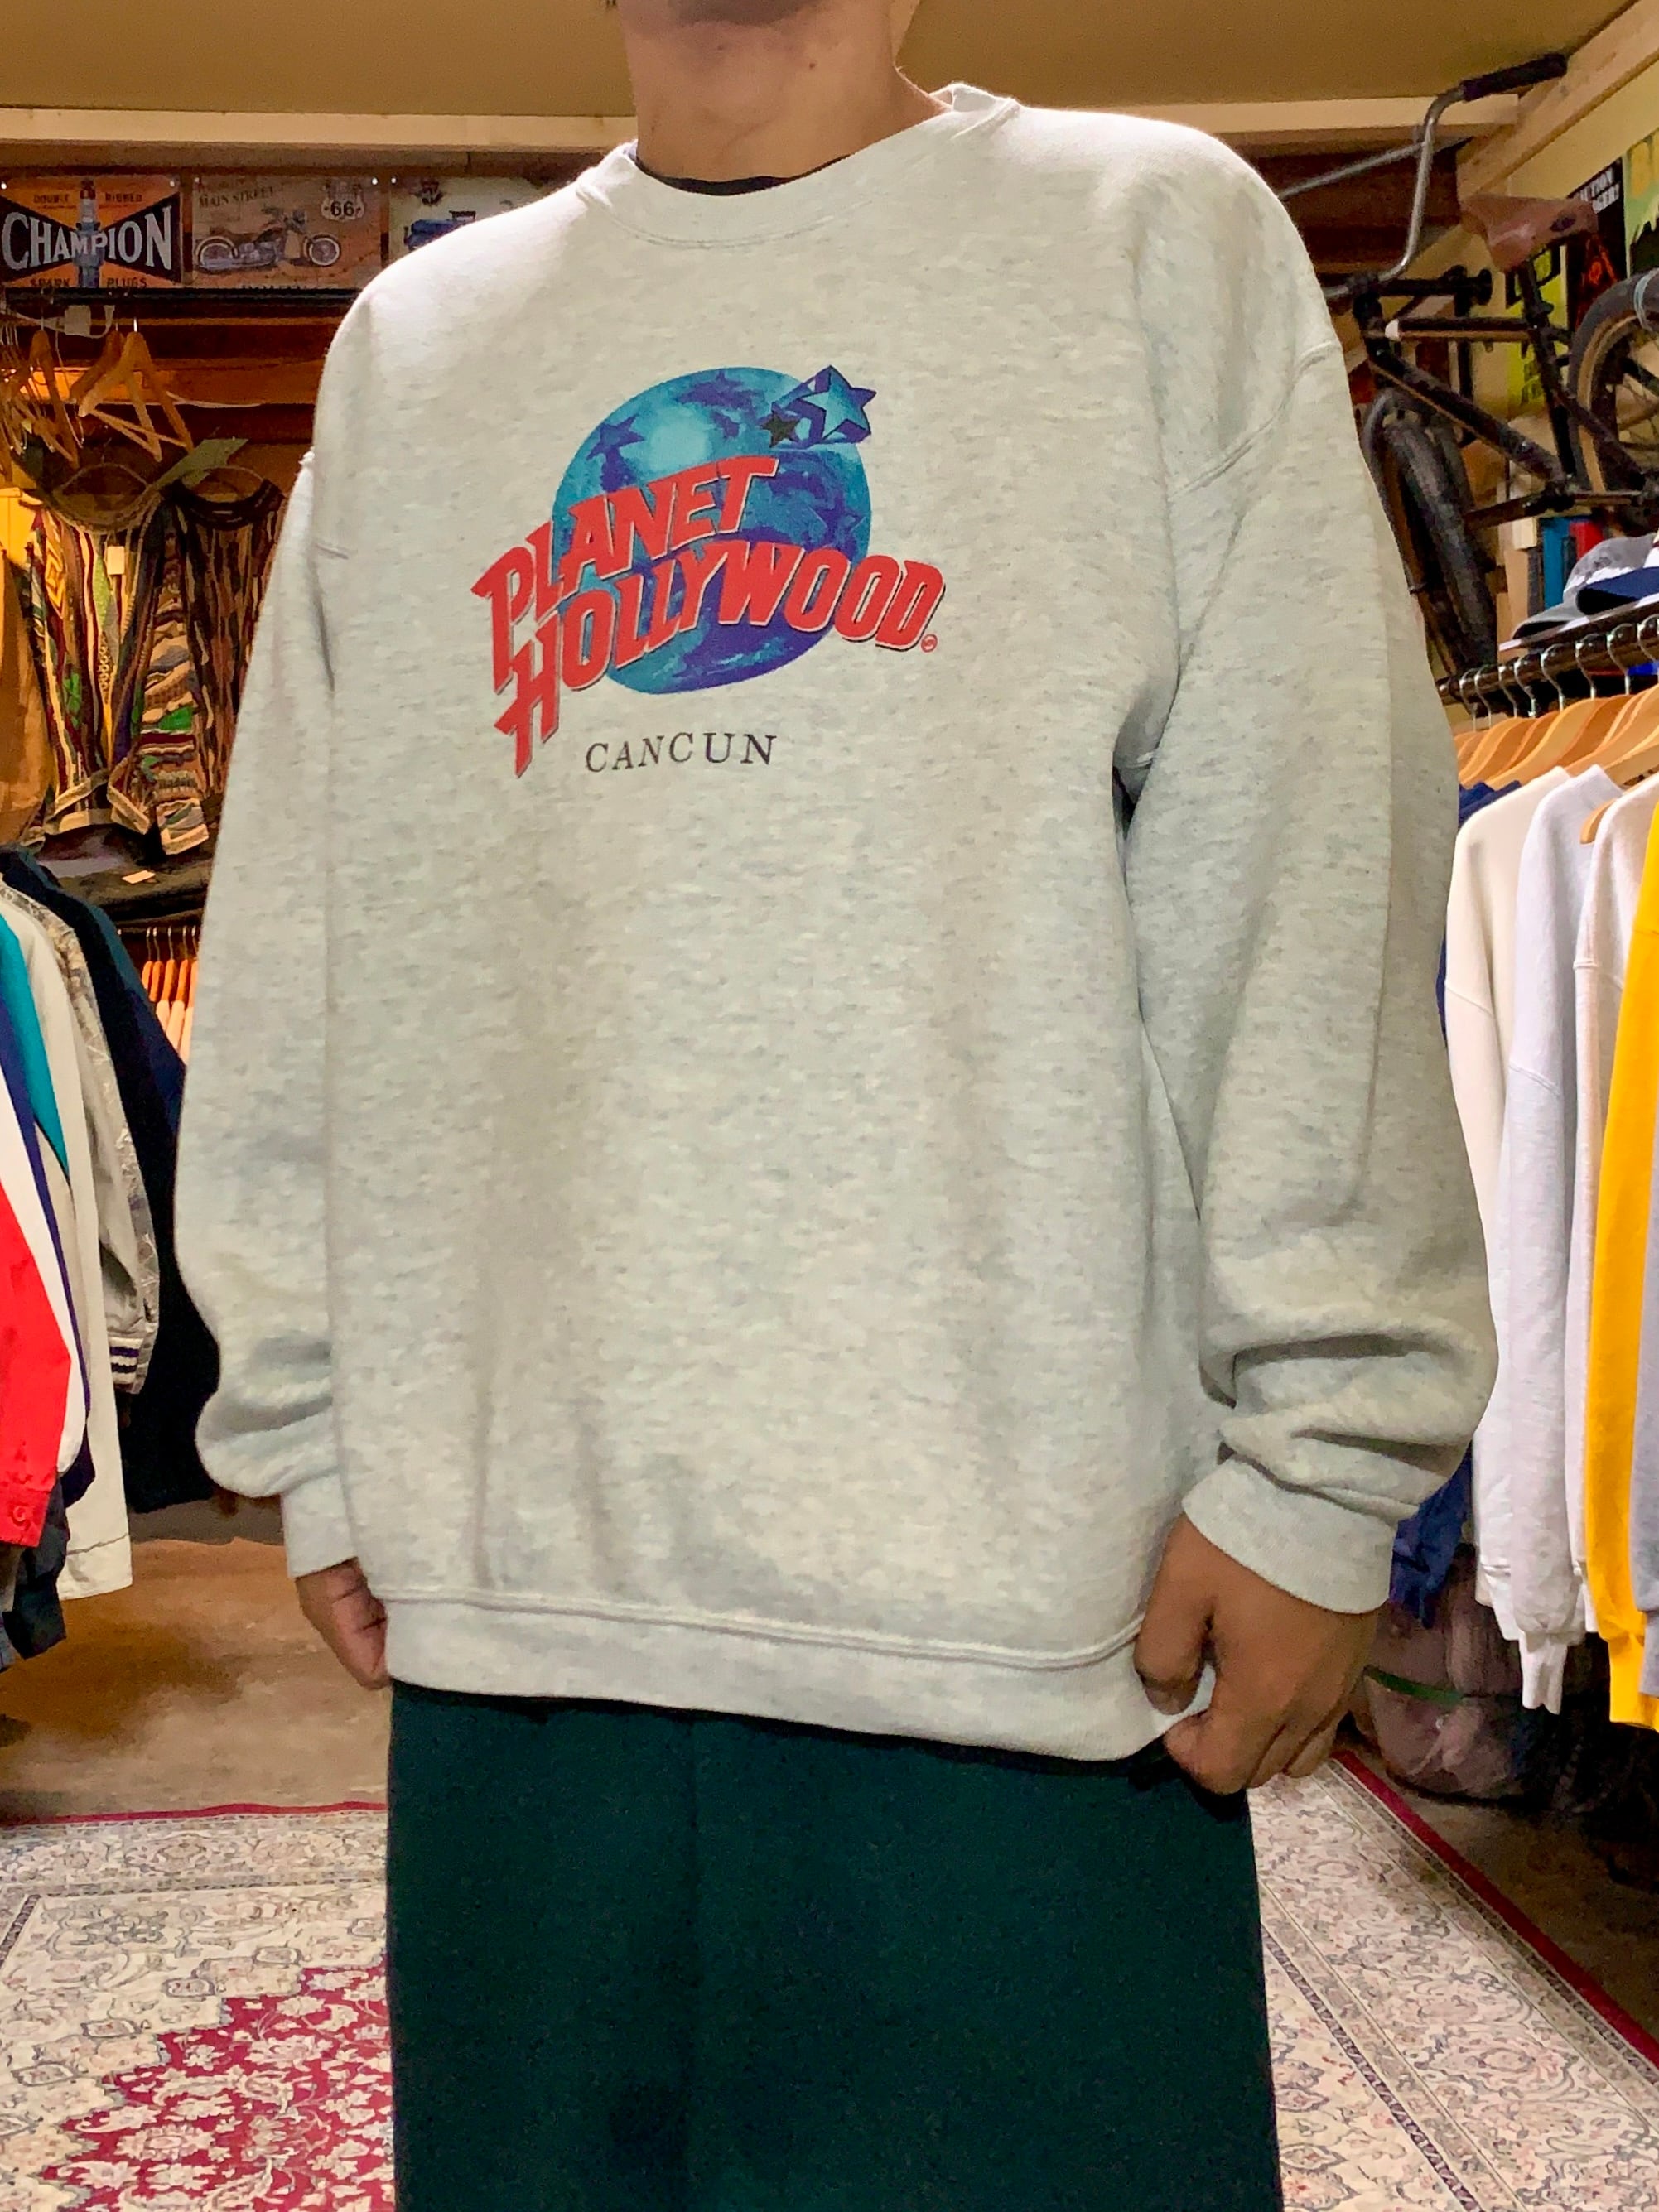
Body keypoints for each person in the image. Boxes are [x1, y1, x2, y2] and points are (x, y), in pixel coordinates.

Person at [174, 2, 1495, 2205]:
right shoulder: (421, 346)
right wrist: (307, 1421)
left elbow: (1302, 870)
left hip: (1033, 1615)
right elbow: (313, 913)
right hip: (523, 1606)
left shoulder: (1144, 241)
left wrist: (1327, 1451)